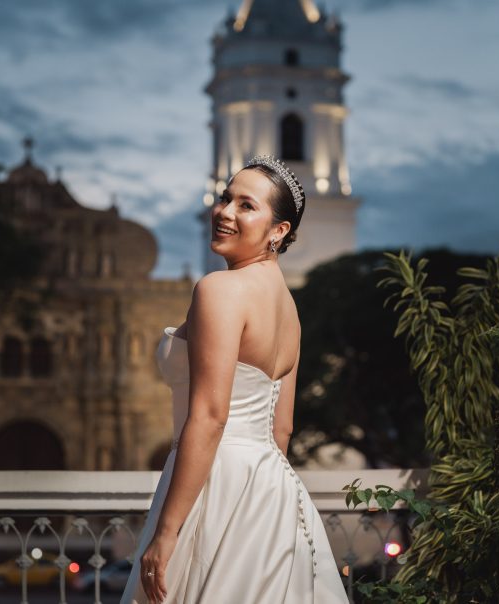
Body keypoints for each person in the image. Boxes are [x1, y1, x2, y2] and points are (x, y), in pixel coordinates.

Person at [120, 155, 349, 603]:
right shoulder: (290, 310)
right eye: (226, 198)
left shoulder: (219, 290)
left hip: (211, 479)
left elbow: (208, 416)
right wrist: (263, 503)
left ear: (278, 230)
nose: (224, 212)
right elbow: (280, 429)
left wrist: (169, 532)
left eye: (246, 205)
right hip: (273, 489)